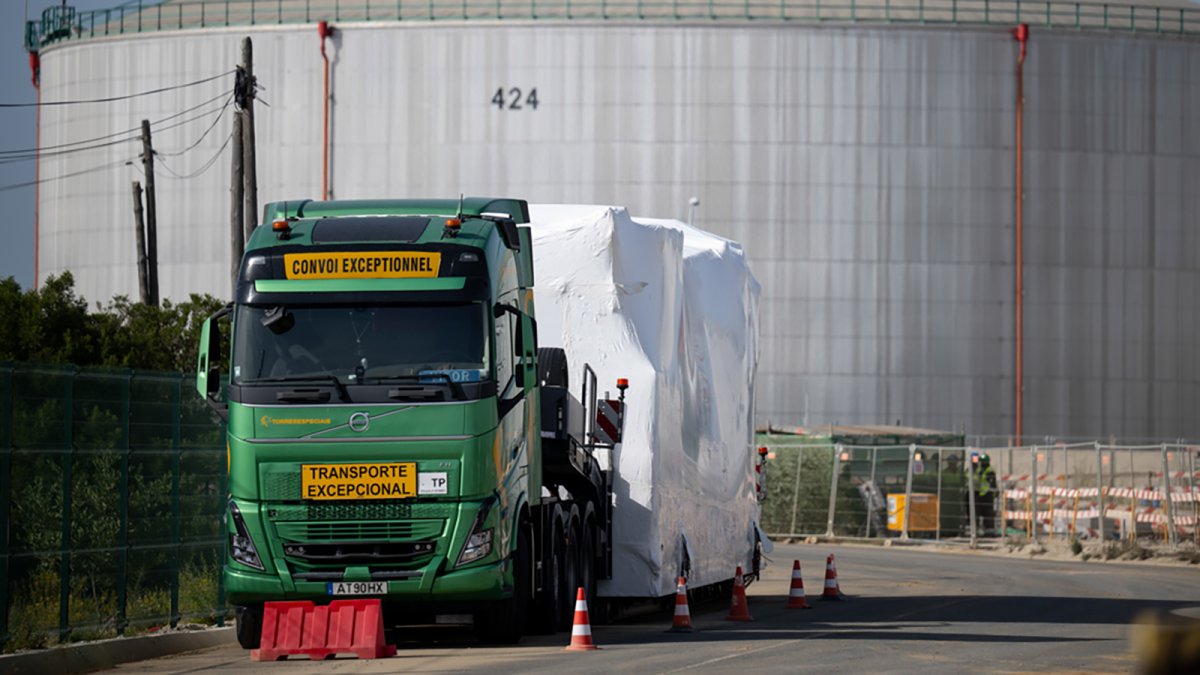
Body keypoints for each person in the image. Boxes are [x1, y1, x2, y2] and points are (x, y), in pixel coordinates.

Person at [972, 454, 999, 536]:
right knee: (977, 514)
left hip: (987, 495)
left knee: (988, 514)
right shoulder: (979, 470)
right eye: (981, 461)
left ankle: (989, 533)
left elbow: (992, 484)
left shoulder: (990, 471)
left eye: (983, 462)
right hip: (979, 494)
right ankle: (977, 532)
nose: (982, 463)